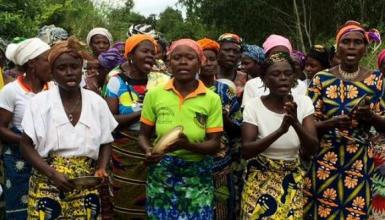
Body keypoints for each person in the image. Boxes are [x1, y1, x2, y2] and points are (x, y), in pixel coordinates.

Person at [19, 37, 117, 219]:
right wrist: (52, 173)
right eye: (61, 68)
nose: (69, 72)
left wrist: (101, 168)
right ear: (52, 73)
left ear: (82, 68)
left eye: (74, 67)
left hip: (86, 184)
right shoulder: (39, 103)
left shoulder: (96, 102)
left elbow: (106, 141)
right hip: (47, 183)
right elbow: (25, 146)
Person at [304, 21, 385, 219]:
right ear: (337, 46)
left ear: (365, 48)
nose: (351, 47)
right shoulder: (320, 79)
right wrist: (331, 123)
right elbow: (308, 127)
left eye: (357, 42)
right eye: (346, 41)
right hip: (325, 161)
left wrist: (371, 116)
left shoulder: (377, 80)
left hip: (360, 162)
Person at [139, 39, 223, 219]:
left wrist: (187, 145)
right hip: (162, 176)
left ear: (200, 63)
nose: (183, 62)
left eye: (190, 58)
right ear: (169, 63)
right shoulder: (155, 94)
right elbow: (143, 135)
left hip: (197, 179)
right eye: (177, 58)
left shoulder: (212, 98)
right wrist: (148, 150)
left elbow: (214, 144)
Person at [241, 52, 318, 219]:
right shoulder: (253, 106)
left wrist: (295, 122)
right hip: (259, 178)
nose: (283, 78)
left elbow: (312, 148)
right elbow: (247, 150)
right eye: (275, 74)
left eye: (288, 74)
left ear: (294, 77)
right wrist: (280, 131)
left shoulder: (303, 103)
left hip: (290, 179)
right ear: (264, 79)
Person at [104, 34, 164, 219]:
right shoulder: (116, 81)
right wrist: (143, 112)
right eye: (144, 51)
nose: (150, 56)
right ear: (130, 54)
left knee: (156, 202)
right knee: (125, 201)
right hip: (125, 152)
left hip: (155, 149)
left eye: (152, 53)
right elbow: (110, 119)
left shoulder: (162, 81)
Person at [0, 38, 51, 219]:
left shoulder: (53, 89)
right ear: (32, 63)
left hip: (48, 157)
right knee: (20, 208)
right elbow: (1, 128)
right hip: (18, 160)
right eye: (47, 59)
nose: (51, 64)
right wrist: (26, 142)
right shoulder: (11, 91)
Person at [197, 38, 242, 219]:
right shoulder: (185, 89)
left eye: (212, 59)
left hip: (221, 166)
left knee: (222, 211)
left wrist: (223, 119)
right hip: (192, 165)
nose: (208, 63)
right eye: (204, 59)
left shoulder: (225, 91)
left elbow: (238, 129)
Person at [217, 33, 247, 99]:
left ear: (240, 56)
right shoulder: (207, 76)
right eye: (227, 50)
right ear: (218, 52)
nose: (231, 54)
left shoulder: (246, 79)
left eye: (236, 51)